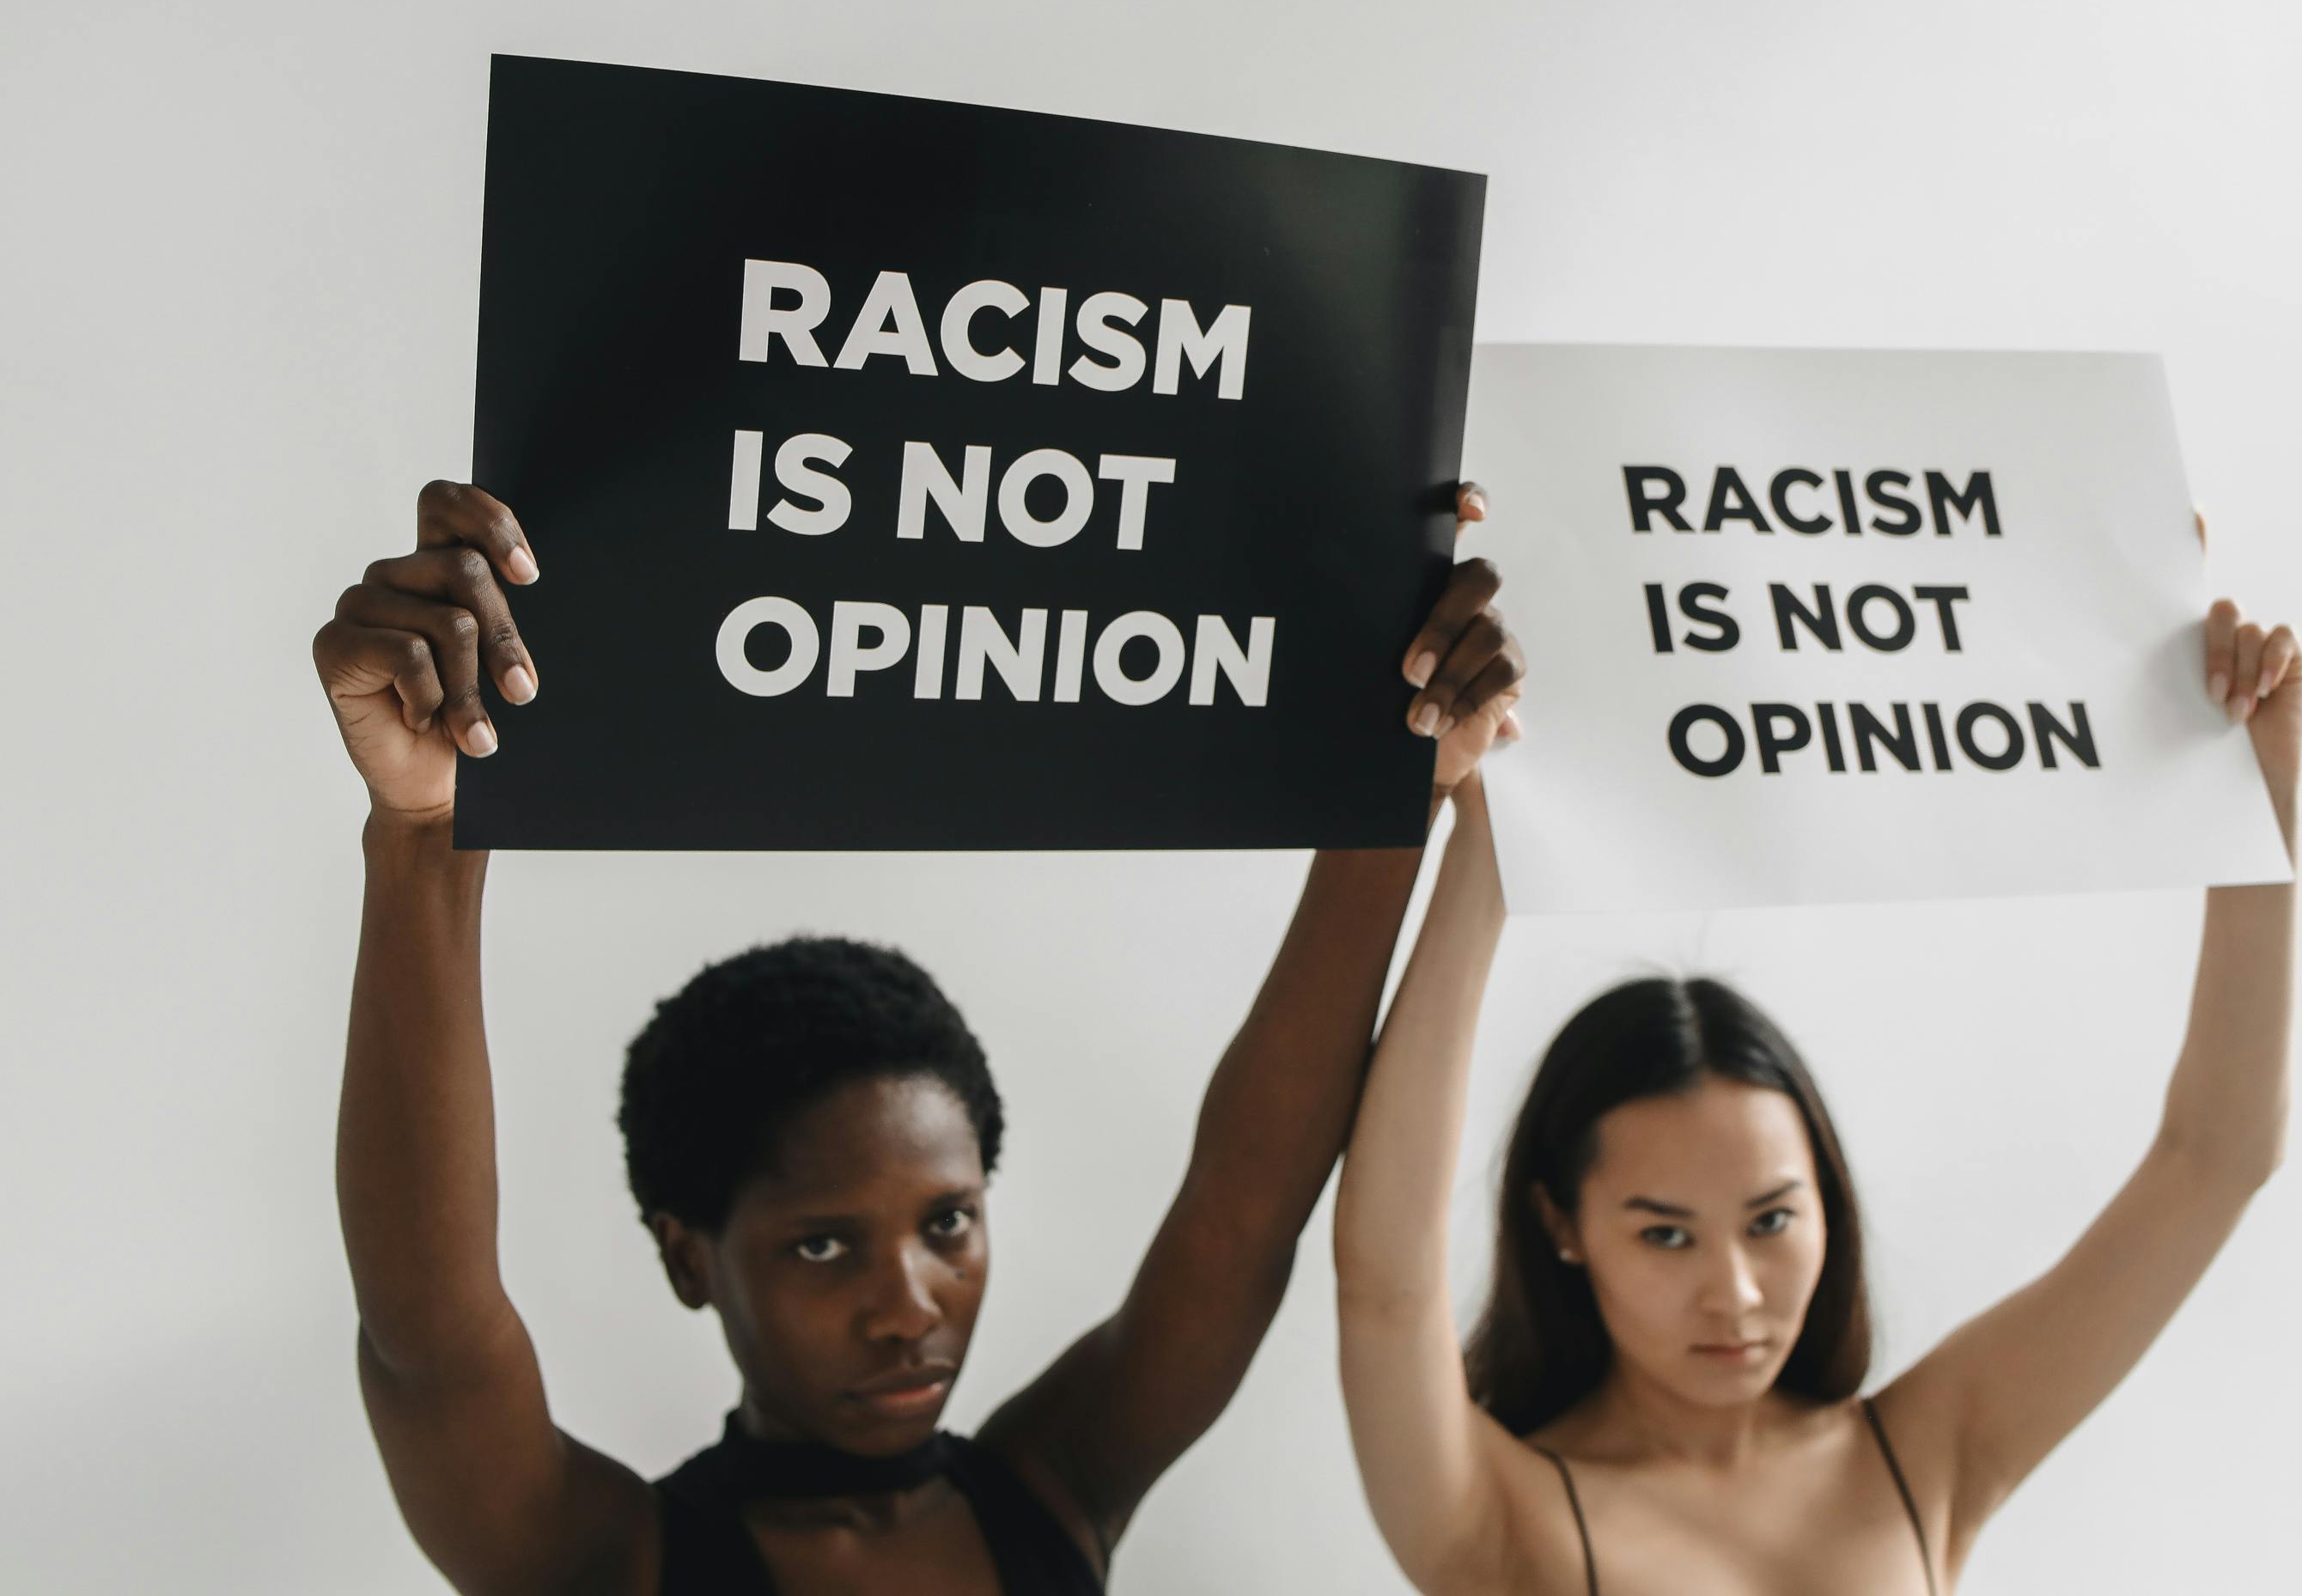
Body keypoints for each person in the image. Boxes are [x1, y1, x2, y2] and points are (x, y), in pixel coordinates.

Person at [313, 477, 1524, 1595]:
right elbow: (430, 1330)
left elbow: (1246, 1208)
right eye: (824, 1248)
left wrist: (1394, 774)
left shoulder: (1058, 1487)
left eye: (946, 1223)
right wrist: (421, 836)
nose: (909, 1307)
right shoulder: (602, 1557)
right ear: (689, 1258)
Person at [1333, 575, 2302, 1595]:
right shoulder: (1499, 1516)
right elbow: (1387, 1277)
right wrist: (1494, 832)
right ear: (1562, 1223)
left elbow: (2217, 1155)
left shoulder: (1927, 1454)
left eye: (1771, 1219)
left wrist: (2256, 785)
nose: (1737, 1293)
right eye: (1665, 1231)